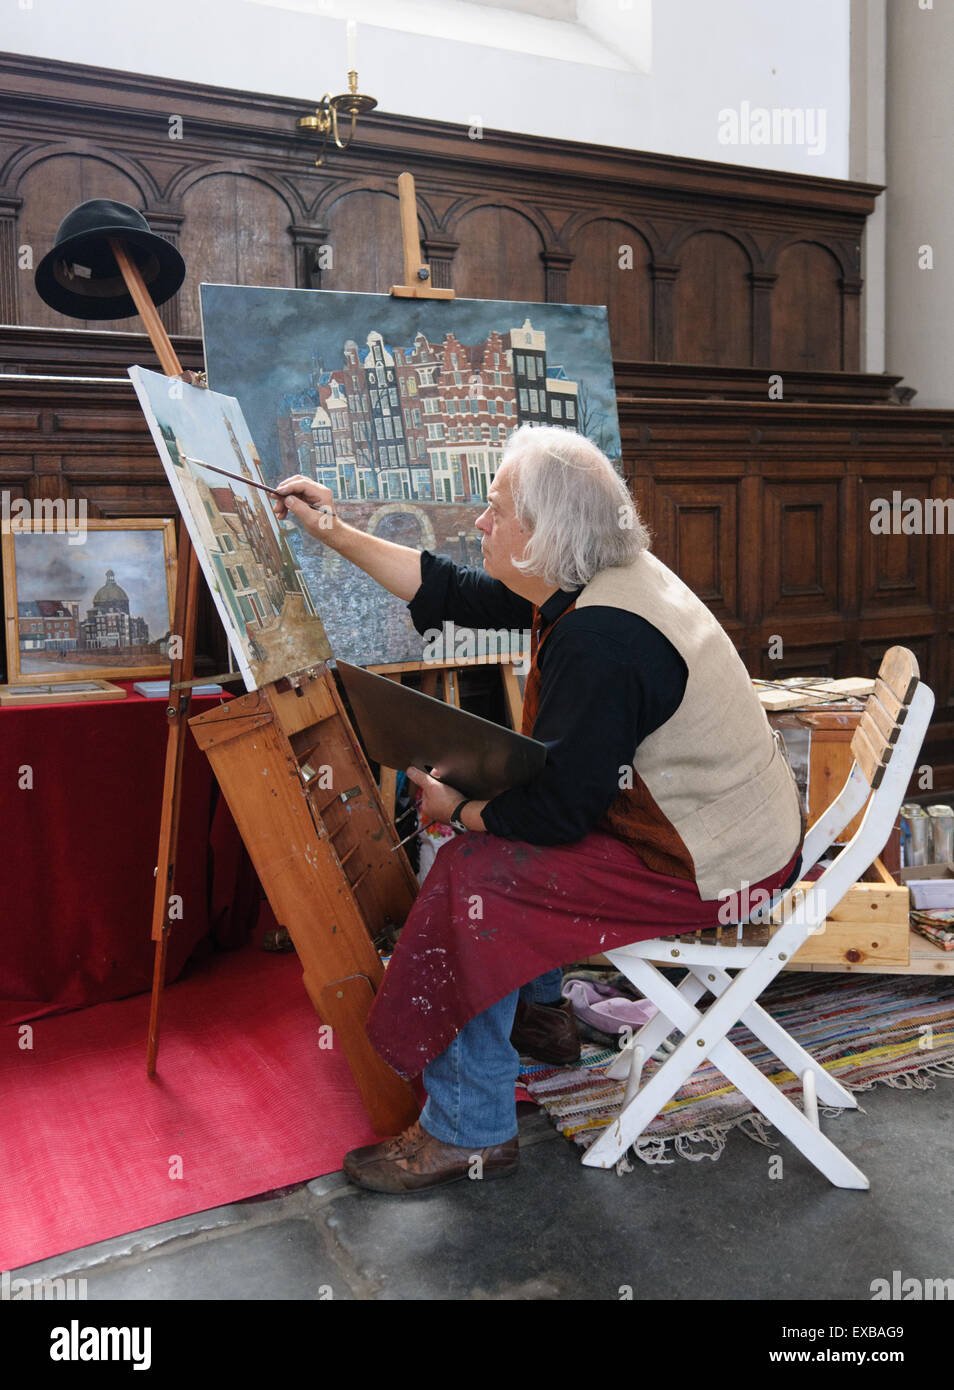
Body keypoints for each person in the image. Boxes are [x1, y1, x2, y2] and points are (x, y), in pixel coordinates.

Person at [274, 425, 803, 1194]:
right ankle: (543, 1019)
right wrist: (330, 531)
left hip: (711, 862)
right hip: (729, 827)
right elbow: (452, 591)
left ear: (545, 535)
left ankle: (467, 1130)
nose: (480, 524)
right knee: (497, 851)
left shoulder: (605, 636)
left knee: (475, 875)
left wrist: (460, 811)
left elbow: (559, 815)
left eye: (495, 510)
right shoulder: (592, 576)